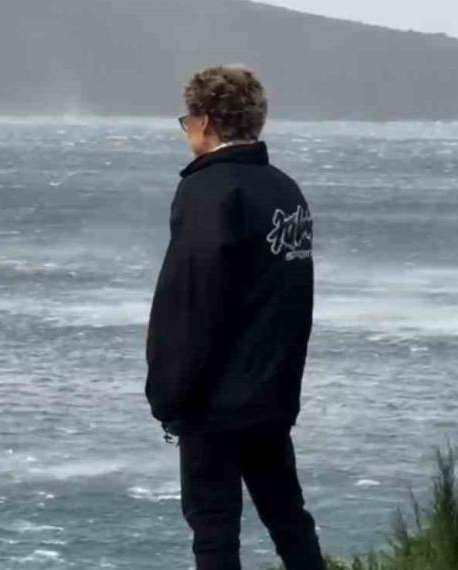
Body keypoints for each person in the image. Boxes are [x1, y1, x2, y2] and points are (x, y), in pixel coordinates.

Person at [145, 66, 324, 570]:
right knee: (288, 518)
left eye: (187, 120)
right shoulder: (285, 191)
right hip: (272, 393)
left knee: (214, 531)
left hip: (213, 402)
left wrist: (168, 394)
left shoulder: (208, 191)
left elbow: (191, 302)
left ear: (204, 120)